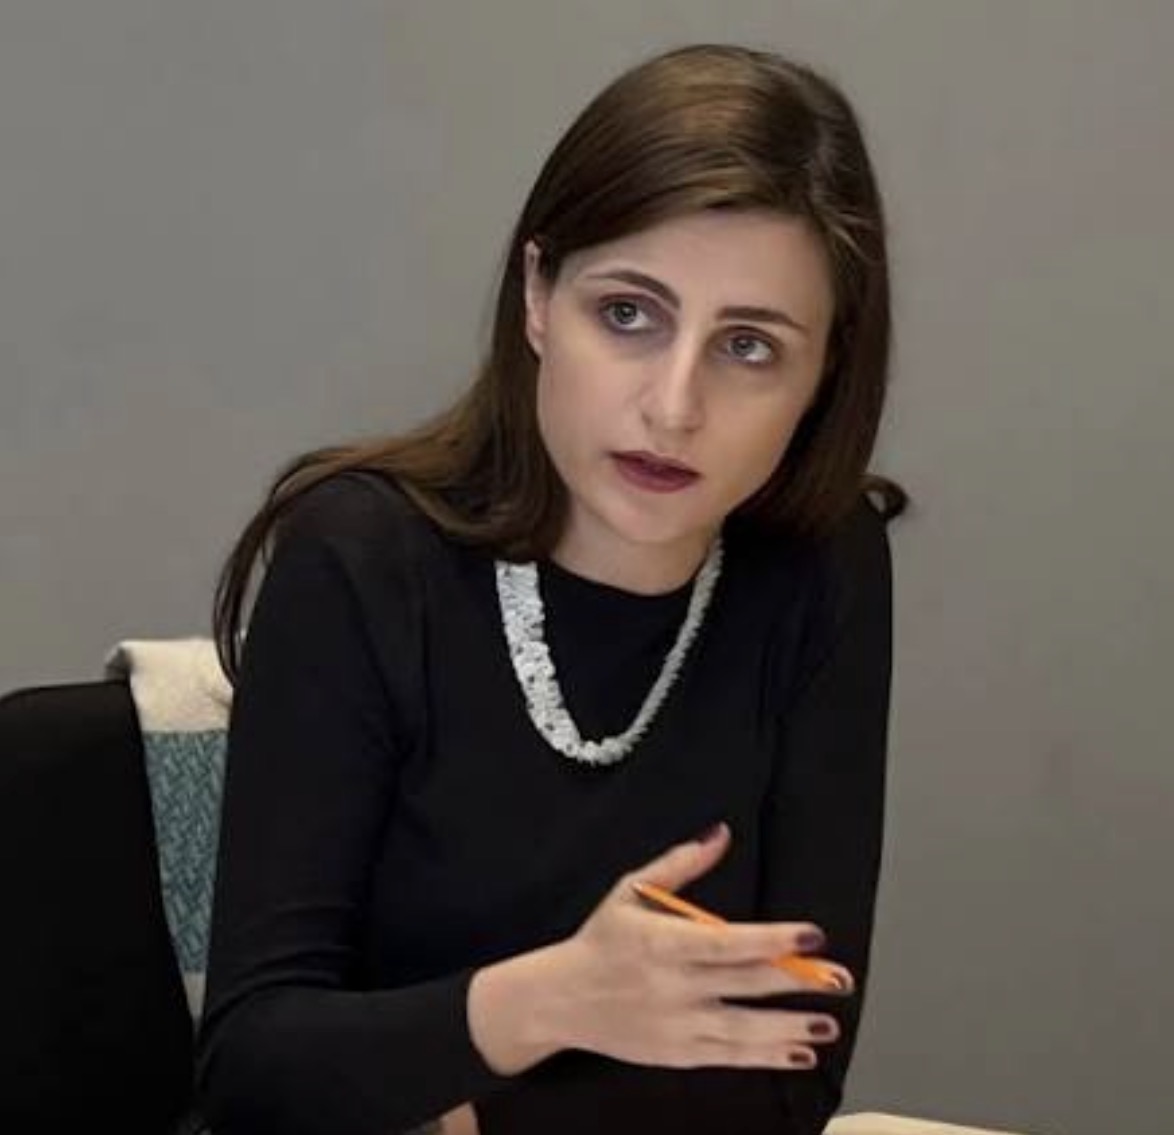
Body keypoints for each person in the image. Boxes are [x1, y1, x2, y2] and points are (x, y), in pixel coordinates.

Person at [193, 41, 906, 1135]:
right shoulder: (361, 559)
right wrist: (554, 1001)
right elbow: (254, 1070)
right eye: (627, 314)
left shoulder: (824, 565)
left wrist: (464, 1107)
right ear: (537, 296)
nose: (674, 406)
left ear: (823, 376)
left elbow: (789, 1063)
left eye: (749, 346)